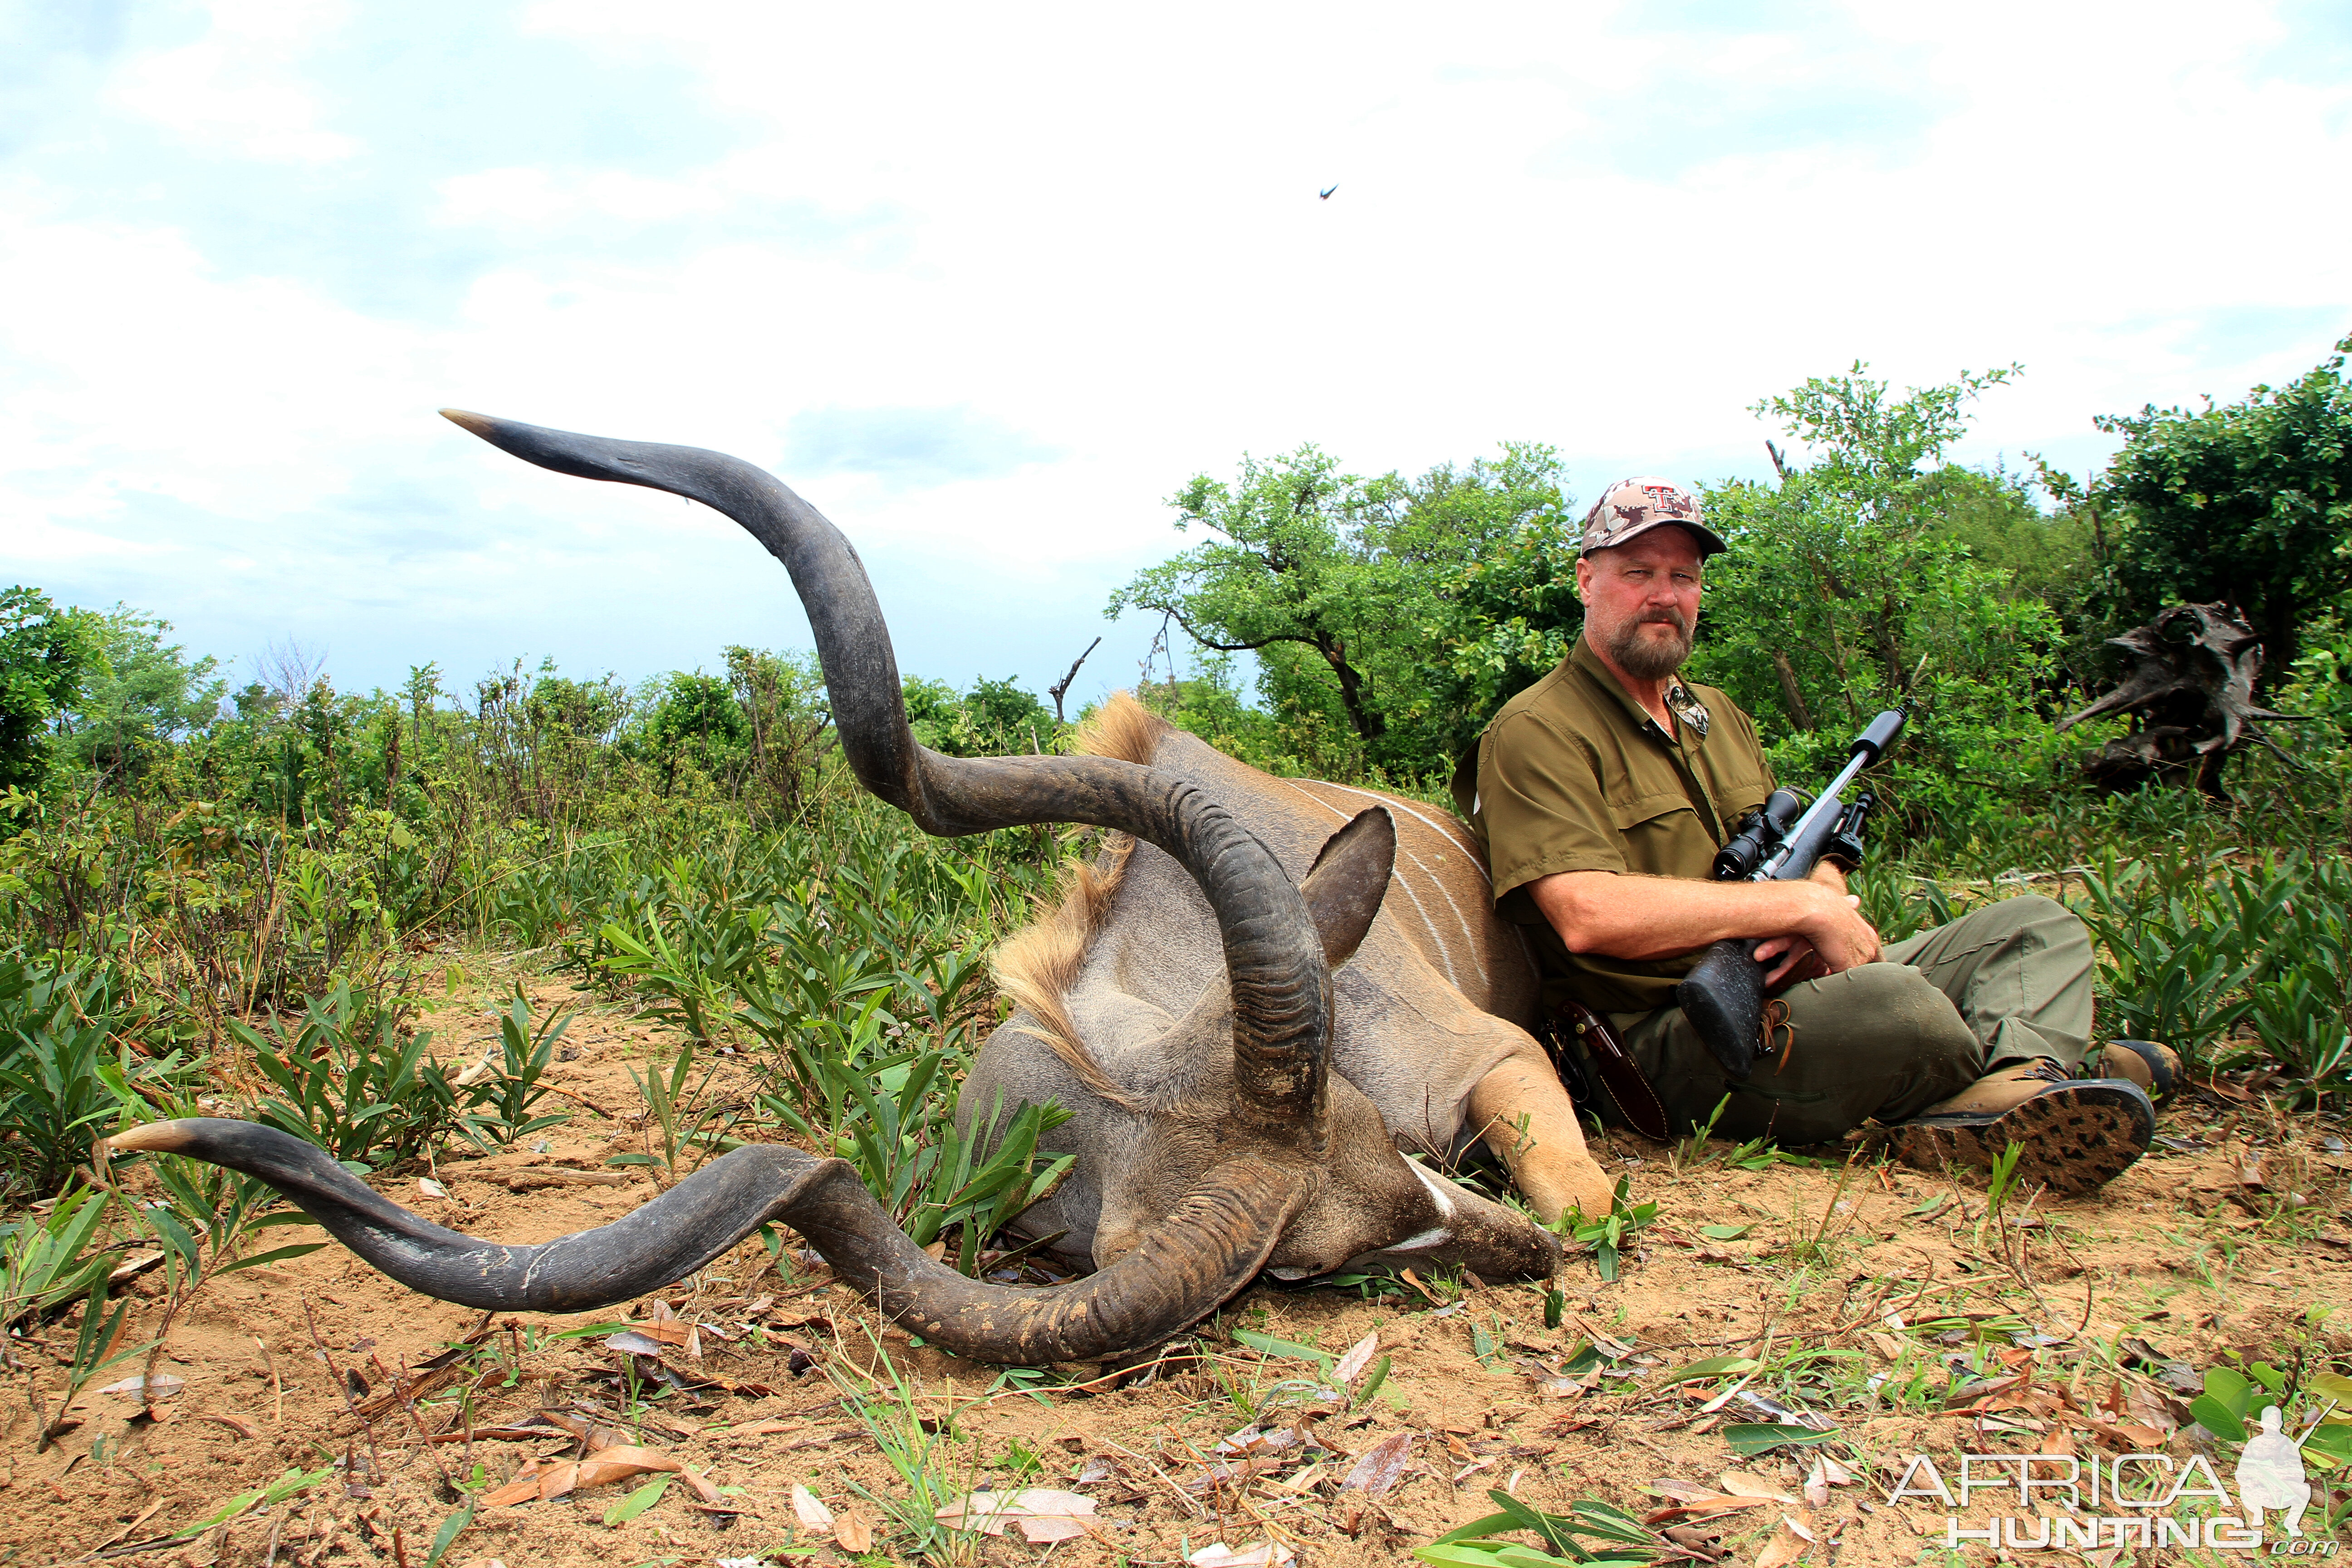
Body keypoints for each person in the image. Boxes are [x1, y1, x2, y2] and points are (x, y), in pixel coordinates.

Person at [1462, 476, 2176, 1193]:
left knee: (2036, 926)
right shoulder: (1536, 730)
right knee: (1902, 1007)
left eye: (1684, 575)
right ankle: (2028, 1081)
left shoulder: (1718, 714)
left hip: (1783, 984)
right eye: (1638, 572)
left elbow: (1787, 849)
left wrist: (1824, 883)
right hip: (1666, 1035)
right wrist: (1803, 910)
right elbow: (1587, 916)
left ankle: (2020, 1089)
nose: (1664, 595)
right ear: (1587, 580)